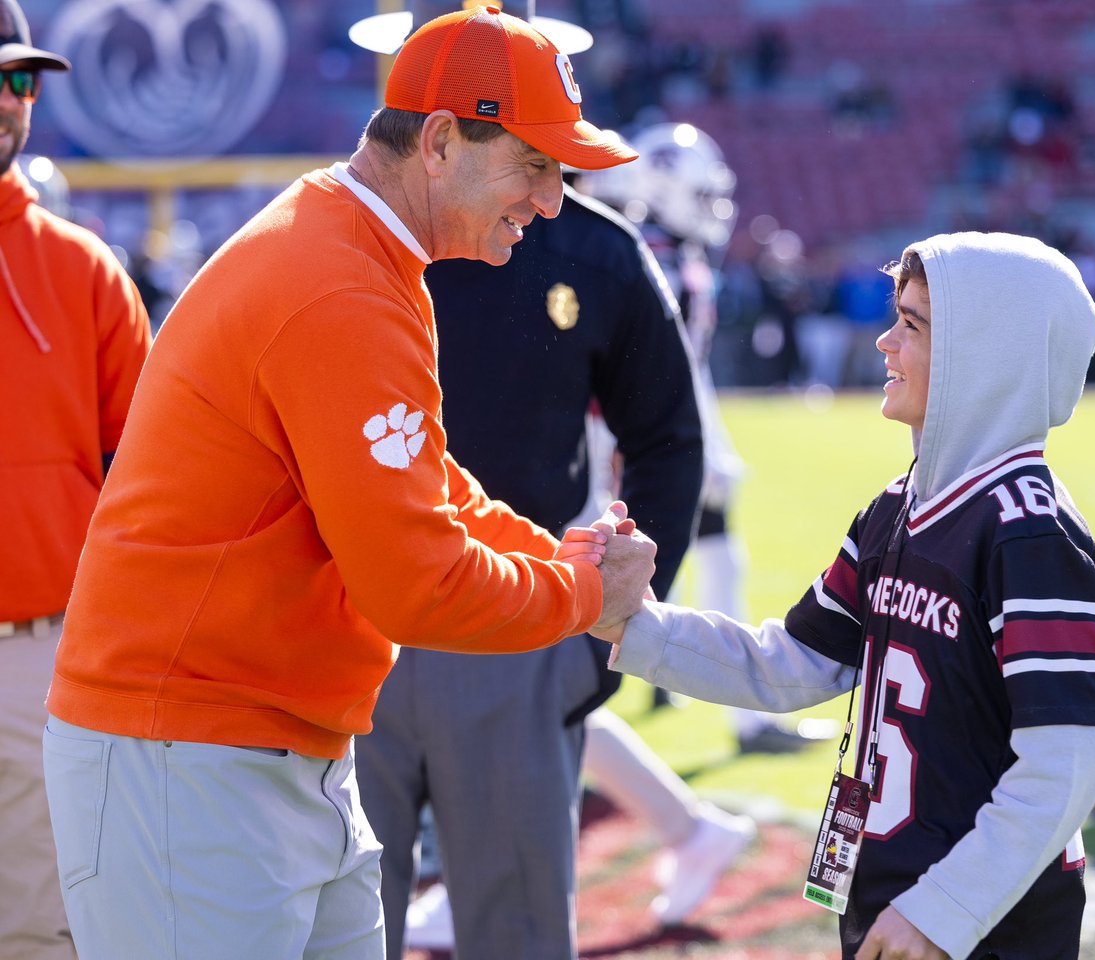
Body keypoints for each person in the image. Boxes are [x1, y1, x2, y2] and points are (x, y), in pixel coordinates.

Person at [40, 9, 655, 960]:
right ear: (442, 140)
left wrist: (556, 555)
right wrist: (581, 594)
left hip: (255, 748)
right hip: (190, 758)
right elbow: (415, 583)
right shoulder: (342, 281)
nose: (552, 200)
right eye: (535, 164)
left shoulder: (359, 250)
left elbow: (427, 481)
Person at [588, 232, 1095, 960]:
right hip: (886, 891)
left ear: (987, 354)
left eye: (914, 324)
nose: (883, 342)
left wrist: (946, 908)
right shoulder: (893, 510)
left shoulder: (1029, 535)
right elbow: (792, 662)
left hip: (982, 924)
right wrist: (634, 623)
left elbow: (1070, 758)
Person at [355, 171, 706, 959]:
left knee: (515, 933)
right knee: (333, 931)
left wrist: (610, 629)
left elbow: (668, 443)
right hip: (348, 618)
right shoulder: (342, 233)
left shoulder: (594, 248)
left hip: (514, 620)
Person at [581, 122, 820, 752]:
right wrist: (697, 446)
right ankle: (741, 713)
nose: (715, 209)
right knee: (619, 573)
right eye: (702, 193)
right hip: (634, 441)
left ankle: (685, 686)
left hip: (637, 436)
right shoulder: (652, 256)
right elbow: (665, 373)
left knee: (686, 552)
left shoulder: (658, 249)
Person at [0, 3, 151, 956]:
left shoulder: (86, 270)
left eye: (20, 80)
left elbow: (155, 487)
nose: (9, 101)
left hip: (42, 656)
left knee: (43, 931)